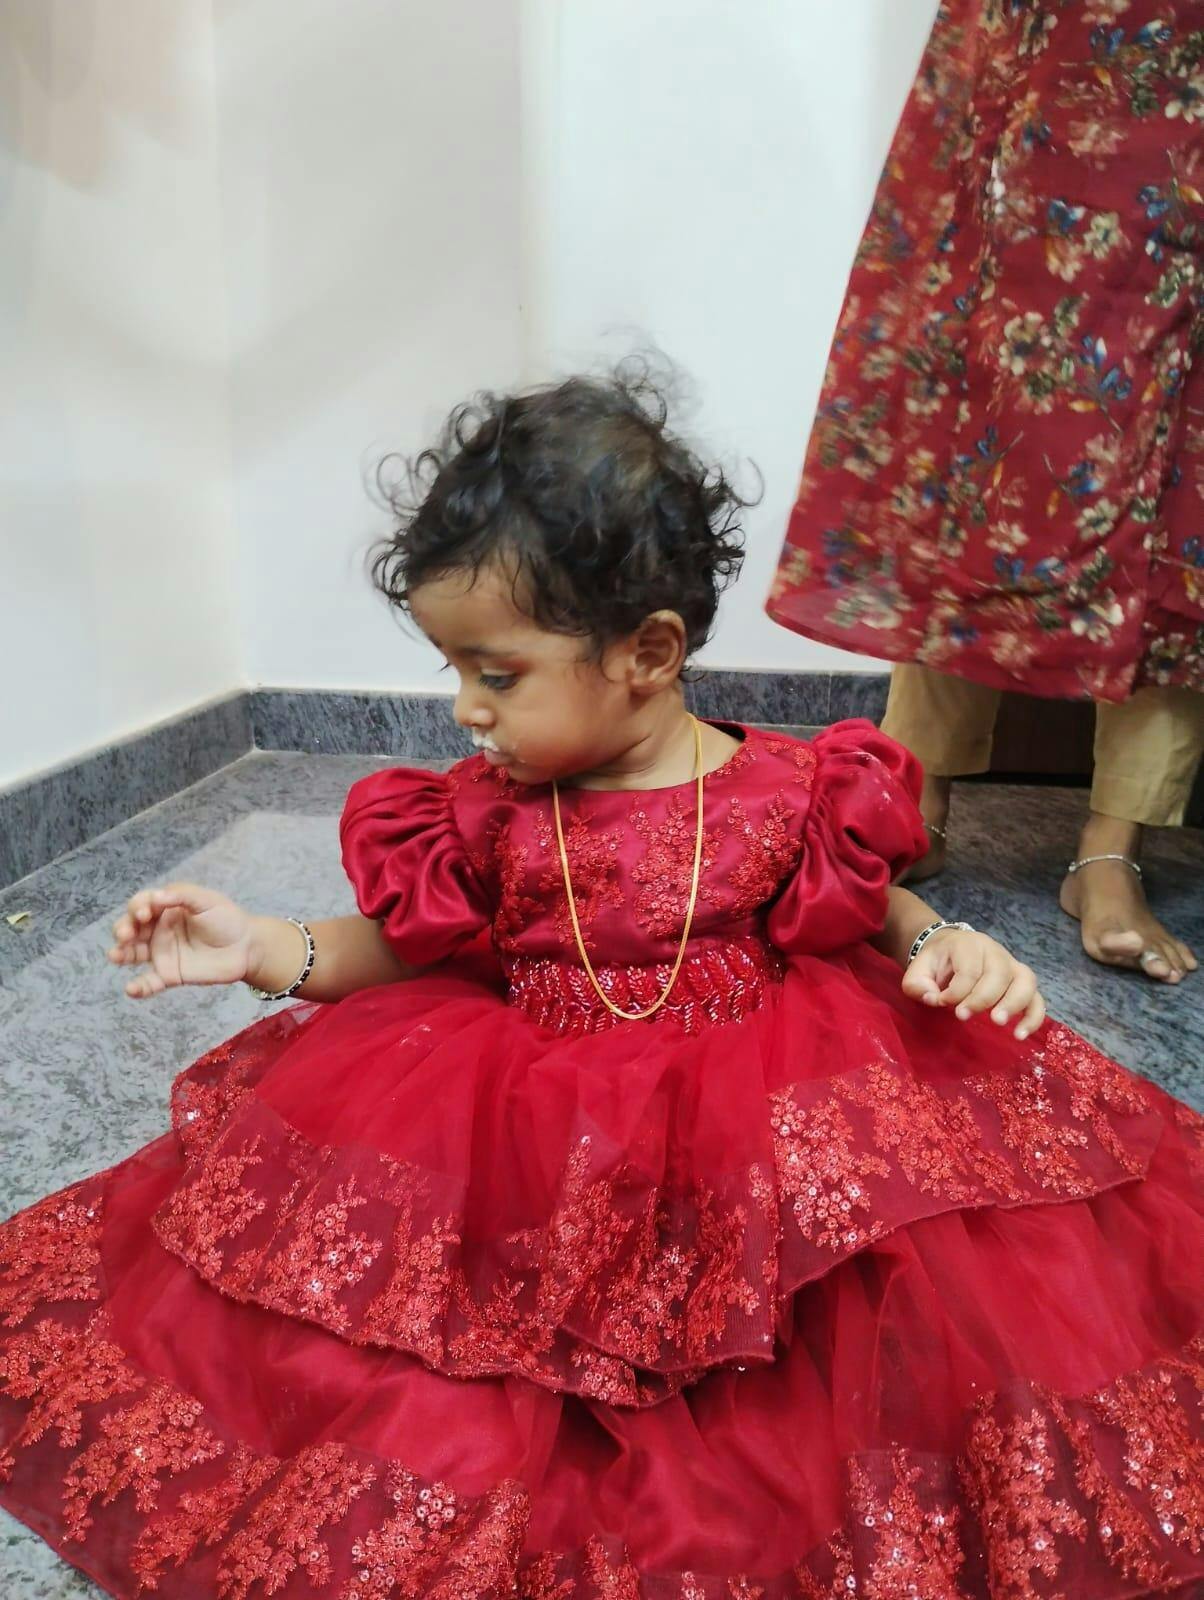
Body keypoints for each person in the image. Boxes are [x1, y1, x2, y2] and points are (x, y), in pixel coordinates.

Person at [1, 372, 1201, 1599]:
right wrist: (264, 946)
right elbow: (412, 946)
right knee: (437, 1362)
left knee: (894, 1309)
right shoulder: (485, 814)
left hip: (759, 1112)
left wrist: (941, 937)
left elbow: (863, 905)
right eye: (455, 671)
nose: (465, 711)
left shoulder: (794, 787)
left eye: (497, 674)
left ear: (648, 652)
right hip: (532, 1122)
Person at [767, 0, 1204, 986]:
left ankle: (1109, 852)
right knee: (978, 455)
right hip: (1046, 72)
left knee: (1187, 486)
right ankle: (910, 804)